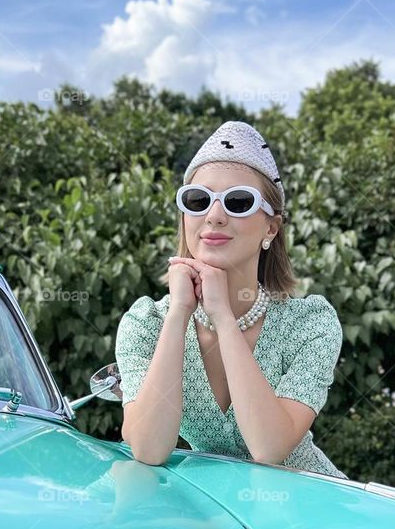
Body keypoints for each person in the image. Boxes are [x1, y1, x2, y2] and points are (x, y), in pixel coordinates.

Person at [115, 119, 347, 478]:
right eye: (198, 200)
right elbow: (148, 449)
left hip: (307, 513)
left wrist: (222, 316)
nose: (214, 216)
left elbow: (270, 447)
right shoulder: (146, 323)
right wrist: (178, 313)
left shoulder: (311, 323)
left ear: (271, 227)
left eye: (238, 202)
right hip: (219, 515)